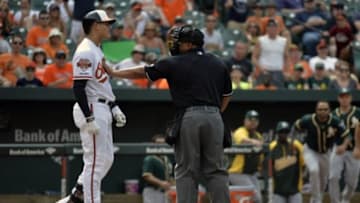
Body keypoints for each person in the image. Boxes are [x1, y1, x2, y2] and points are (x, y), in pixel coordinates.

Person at [105, 25, 232, 203]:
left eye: (179, 42)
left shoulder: (174, 62)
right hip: (215, 116)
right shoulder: (219, 62)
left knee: (187, 171)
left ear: (188, 44)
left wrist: (114, 72)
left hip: (190, 116)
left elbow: (141, 72)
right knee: (216, 171)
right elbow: (226, 95)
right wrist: (215, 113)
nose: (175, 45)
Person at [56, 9, 126, 203]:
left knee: (106, 160)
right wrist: (89, 117)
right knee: (94, 164)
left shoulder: (97, 48)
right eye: (106, 24)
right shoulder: (86, 50)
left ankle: (76, 196)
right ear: (96, 26)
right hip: (92, 108)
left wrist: (113, 106)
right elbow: (79, 88)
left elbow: (101, 83)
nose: (109, 27)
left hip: (102, 106)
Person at [294, 101, 349, 203]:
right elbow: (296, 126)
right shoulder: (308, 119)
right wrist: (294, 142)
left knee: (323, 180)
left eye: (325, 109)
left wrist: (343, 145)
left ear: (329, 110)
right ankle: (317, 200)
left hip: (326, 153)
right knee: (314, 170)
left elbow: (346, 135)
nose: (322, 112)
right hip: (310, 150)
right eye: (320, 109)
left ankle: (315, 199)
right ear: (316, 110)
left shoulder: (335, 121)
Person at [329, 88, 360, 203]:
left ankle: (345, 198)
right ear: (338, 99)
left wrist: (358, 148)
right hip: (338, 150)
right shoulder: (333, 114)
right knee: (333, 177)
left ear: (351, 98)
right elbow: (330, 129)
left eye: (347, 96)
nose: (344, 99)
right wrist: (330, 131)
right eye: (342, 97)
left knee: (352, 182)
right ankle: (335, 201)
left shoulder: (358, 112)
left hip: (354, 151)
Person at [228, 110, 263, 203]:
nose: (252, 122)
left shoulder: (258, 136)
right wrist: (254, 142)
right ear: (245, 121)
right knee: (254, 197)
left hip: (251, 173)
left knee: (258, 199)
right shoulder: (241, 131)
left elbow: (261, 156)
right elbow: (242, 139)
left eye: (255, 120)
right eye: (250, 120)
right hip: (236, 173)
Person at [269, 121, 304, 203]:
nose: (284, 134)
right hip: (277, 190)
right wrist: (290, 160)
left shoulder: (297, 145)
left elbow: (304, 163)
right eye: (281, 132)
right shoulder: (272, 147)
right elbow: (269, 167)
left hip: (295, 189)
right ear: (277, 133)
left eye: (286, 132)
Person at [142, 134, 173, 203]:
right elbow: (147, 176)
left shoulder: (167, 159)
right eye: (158, 144)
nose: (161, 146)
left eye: (163, 144)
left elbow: (170, 175)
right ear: (153, 145)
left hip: (165, 192)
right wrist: (161, 183)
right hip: (152, 191)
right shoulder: (150, 158)